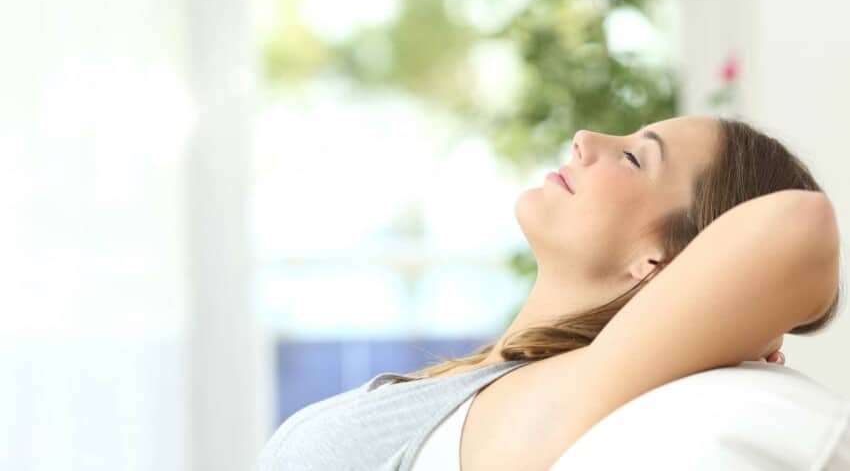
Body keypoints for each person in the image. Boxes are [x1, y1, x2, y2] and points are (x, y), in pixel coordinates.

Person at [256, 115, 840, 471]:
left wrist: (749, 330)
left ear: (657, 262)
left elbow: (799, 225)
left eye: (633, 158)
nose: (585, 138)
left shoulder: (559, 400)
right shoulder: (495, 385)